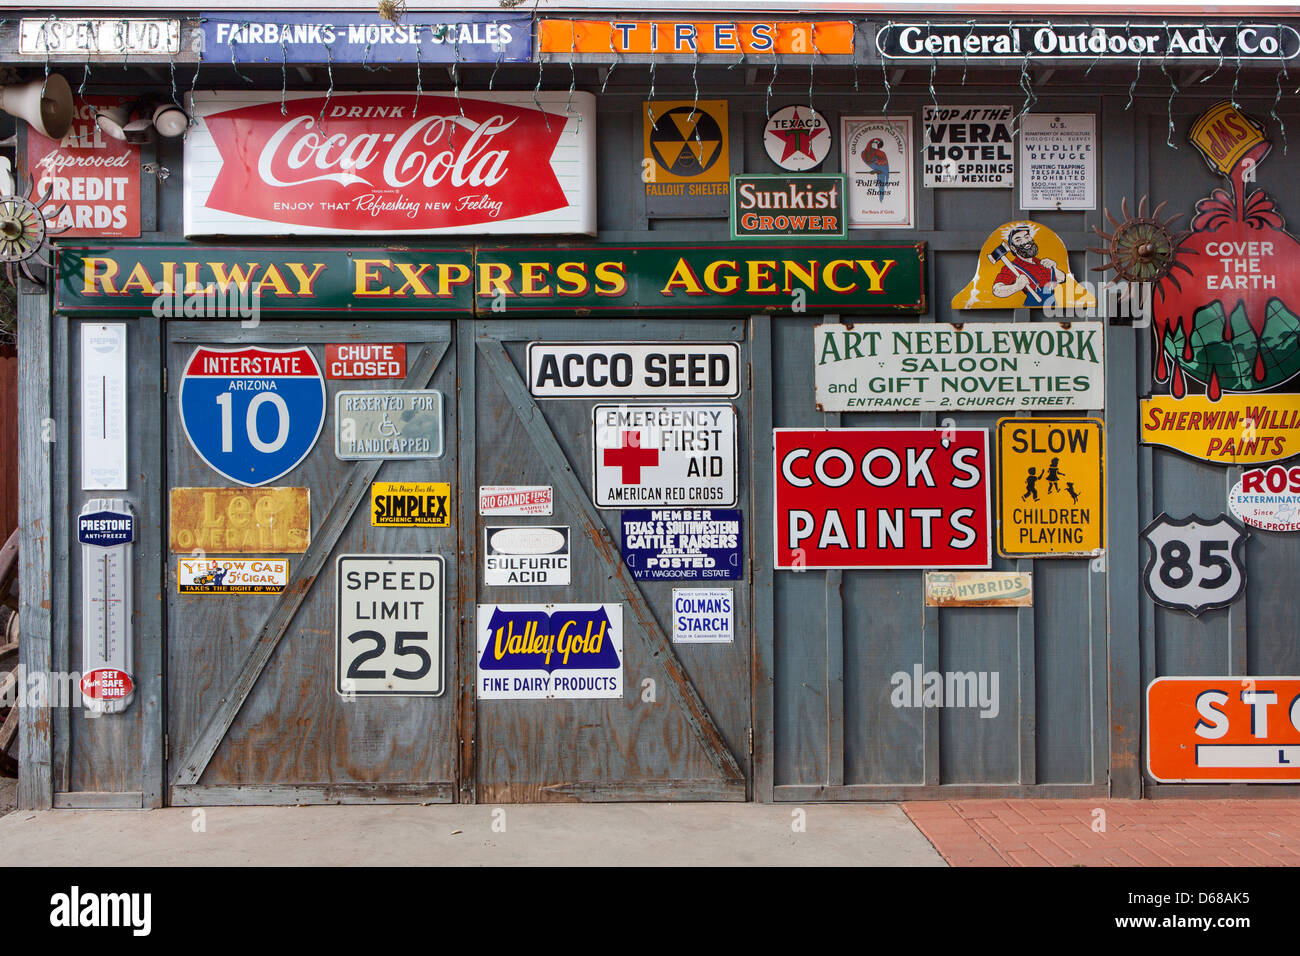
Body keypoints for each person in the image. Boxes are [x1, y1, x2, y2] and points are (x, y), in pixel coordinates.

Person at [991, 223, 1066, 305]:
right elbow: (997, 290)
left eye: (1027, 237)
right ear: (1013, 248)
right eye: (1018, 240)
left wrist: (1054, 267)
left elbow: (1062, 278)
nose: (1025, 241)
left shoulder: (1041, 262)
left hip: (1052, 305)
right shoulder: (1012, 267)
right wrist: (1016, 286)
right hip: (1033, 304)